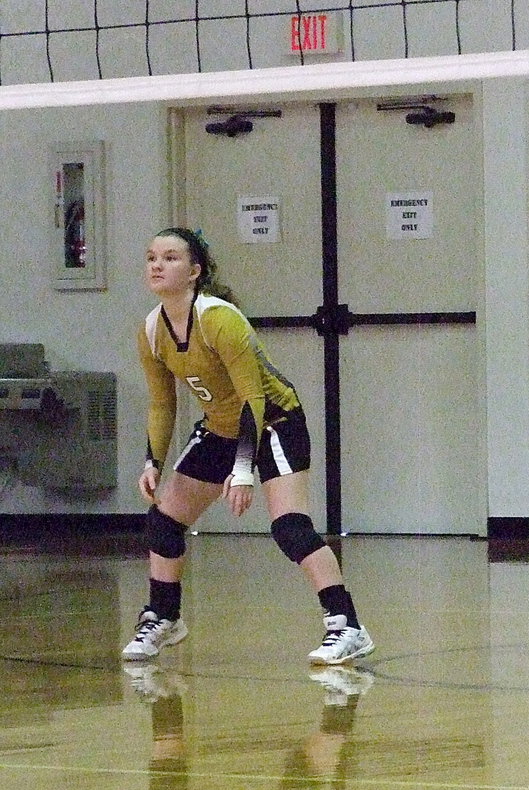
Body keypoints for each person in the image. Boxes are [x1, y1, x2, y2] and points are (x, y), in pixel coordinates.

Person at [123, 227, 374, 665]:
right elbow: (162, 403)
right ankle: (163, 616)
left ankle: (346, 624)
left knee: (290, 528)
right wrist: (152, 461)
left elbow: (253, 398)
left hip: (274, 421)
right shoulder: (150, 330)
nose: (157, 265)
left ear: (195, 271)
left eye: (170, 258)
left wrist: (242, 471)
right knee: (163, 521)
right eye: (151, 258)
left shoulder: (218, 318)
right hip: (220, 426)